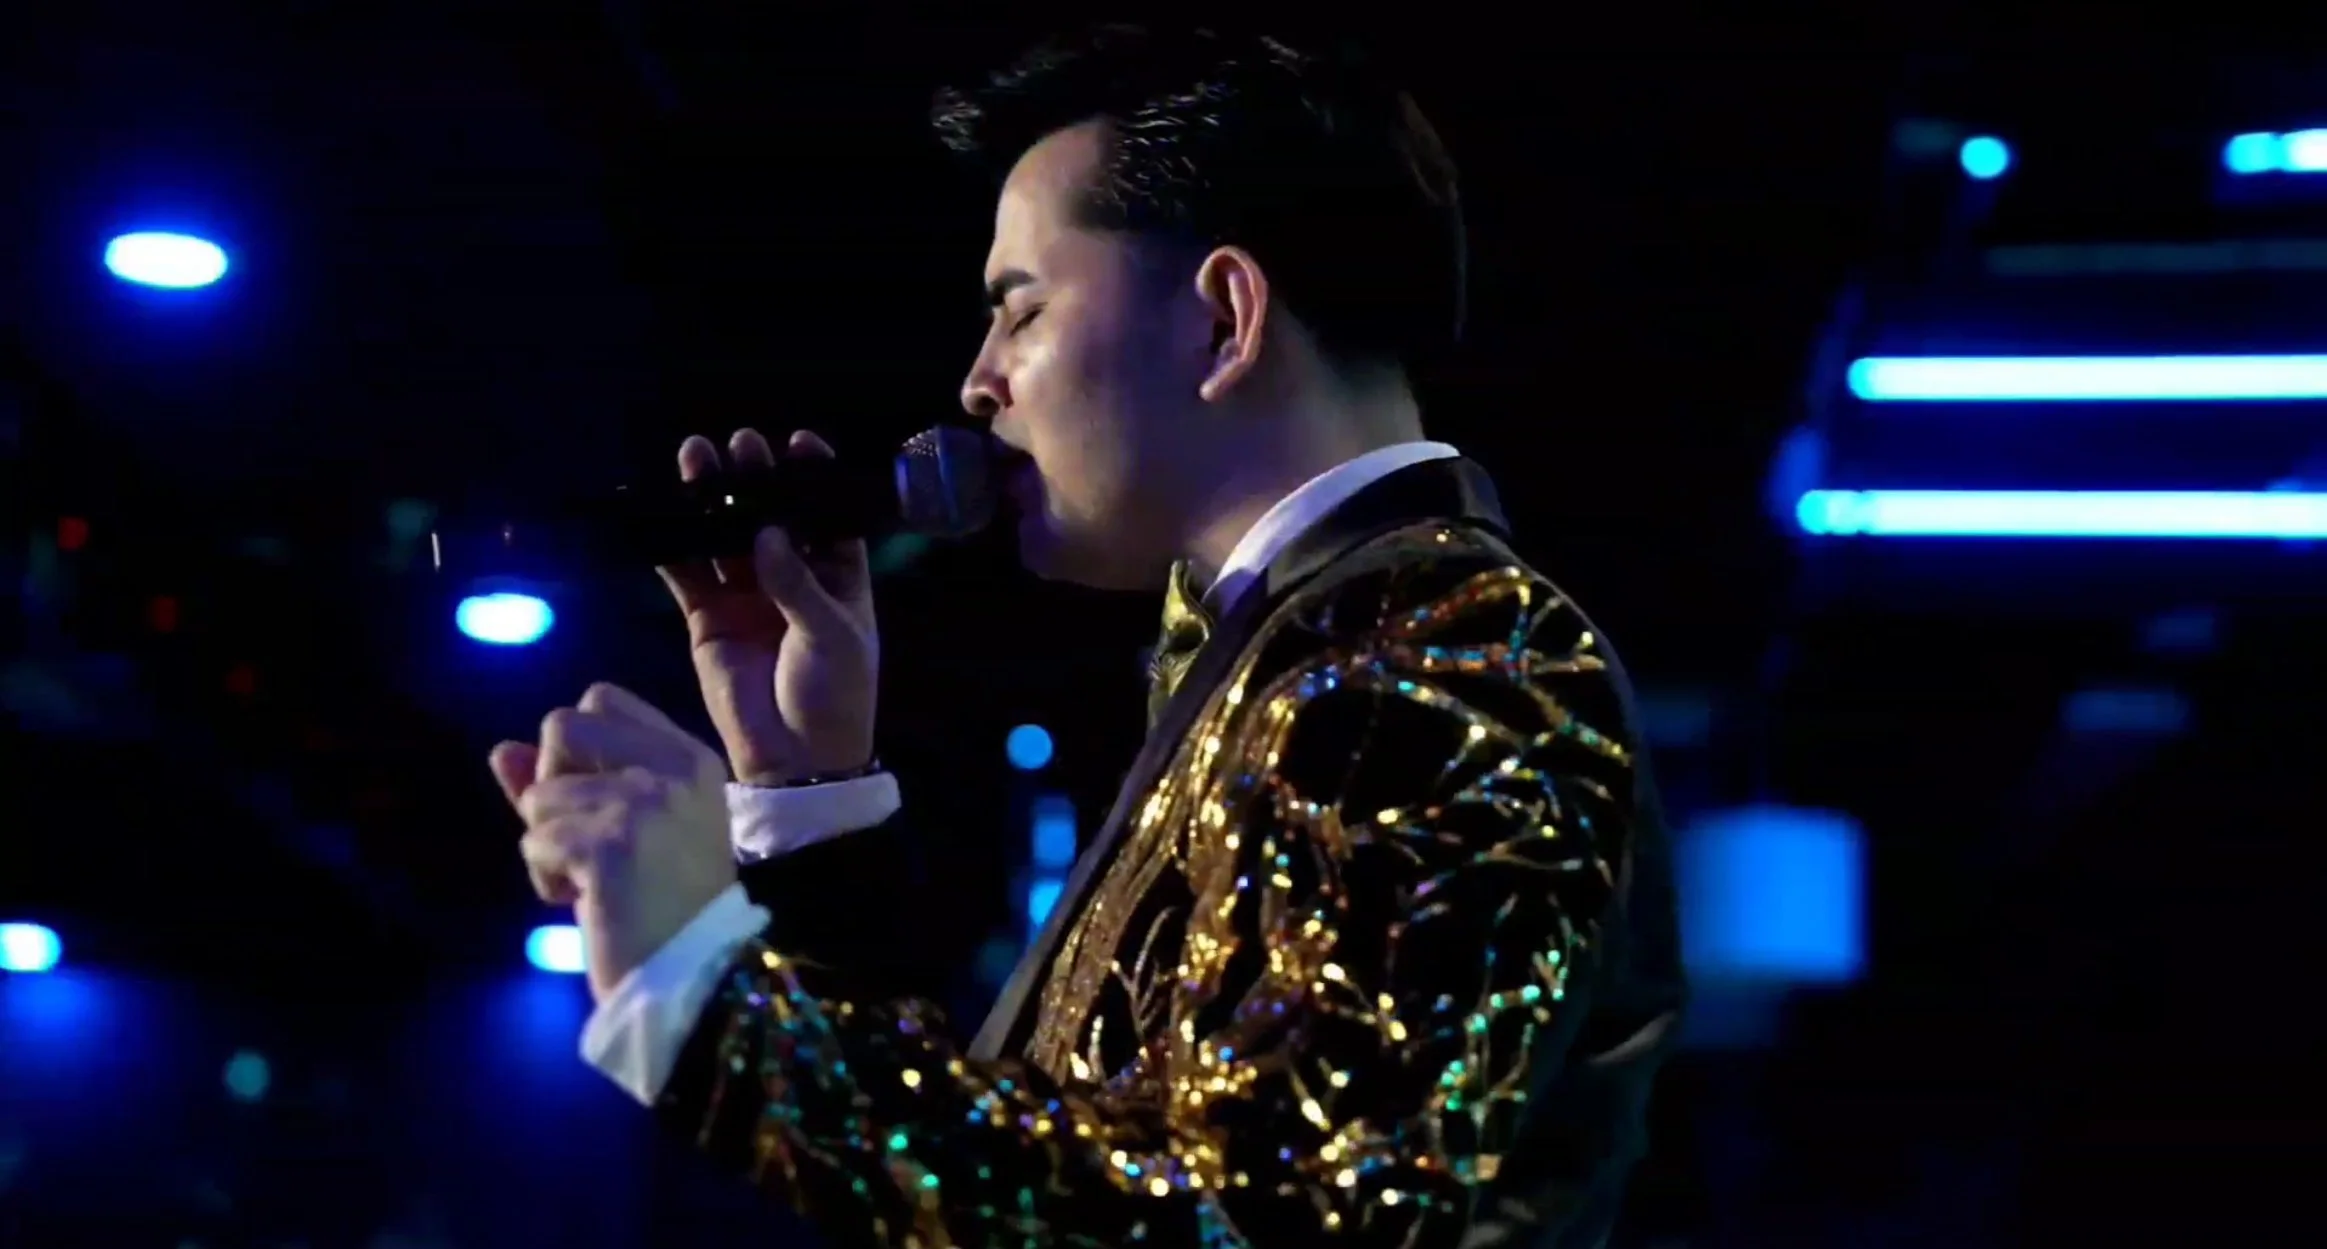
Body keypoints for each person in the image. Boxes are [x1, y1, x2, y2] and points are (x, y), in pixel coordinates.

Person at [488, 25, 1684, 1249]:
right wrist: (810, 797)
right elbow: (1037, 1174)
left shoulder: (1443, 661)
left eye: (1021, 310)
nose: (976, 384)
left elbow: (1246, 1220)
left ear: (1223, 317)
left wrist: (698, 992)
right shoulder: (1324, 651)